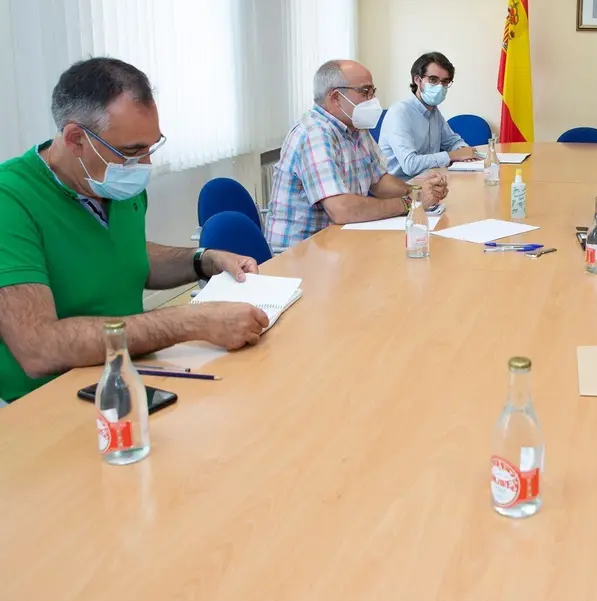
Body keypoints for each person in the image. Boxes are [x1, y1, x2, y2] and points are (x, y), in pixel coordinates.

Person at [0, 57, 270, 403]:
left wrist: (203, 260)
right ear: (76, 139)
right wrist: (189, 322)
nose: (145, 164)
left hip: (127, 378)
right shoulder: (11, 199)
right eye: (132, 151)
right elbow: (38, 348)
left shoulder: (114, 180)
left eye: (150, 147)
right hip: (46, 402)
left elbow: (124, 256)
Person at [264, 59, 449, 251]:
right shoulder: (314, 133)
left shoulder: (356, 127)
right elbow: (341, 209)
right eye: (365, 92)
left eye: (373, 91)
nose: (373, 99)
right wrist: (410, 203)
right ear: (336, 97)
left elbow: (379, 181)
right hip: (299, 254)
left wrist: (419, 191)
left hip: (338, 241)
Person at [378, 52, 479, 180]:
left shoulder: (434, 112)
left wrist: (464, 151)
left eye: (445, 82)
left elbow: (452, 141)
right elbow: (410, 165)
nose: (440, 87)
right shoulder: (400, 113)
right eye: (433, 80)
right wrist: (453, 155)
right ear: (417, 80)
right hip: (402, 187)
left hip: (429, 181)